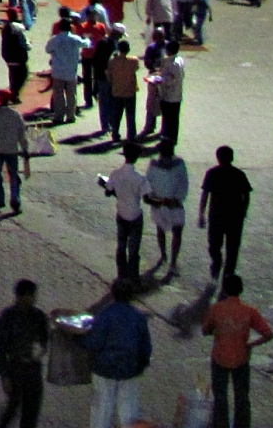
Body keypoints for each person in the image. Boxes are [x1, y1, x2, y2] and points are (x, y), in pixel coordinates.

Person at [203, 272, 272, 428]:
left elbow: (205, 330)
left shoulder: (216, 309)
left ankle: (221, 424)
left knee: (220, 396)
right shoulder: (249, 311)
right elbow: (268, 334)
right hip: (241, 357)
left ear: (225, 290)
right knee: (242, 397)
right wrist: (251, 344)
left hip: (220, 356)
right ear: (240, 290)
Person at [80, 278, 151, 428]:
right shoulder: (138, 317)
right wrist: (141, 366)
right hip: (129, 368)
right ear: (131, 296)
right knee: (129, 412)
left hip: (104, 368)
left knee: (101, 411)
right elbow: (145, 347)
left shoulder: (105, 314)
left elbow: (95, 343)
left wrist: (80, 341)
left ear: (112, 294)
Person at [0, 280, 48, 428]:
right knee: (11, 409)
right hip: (15, 369)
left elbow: (44, 339)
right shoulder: (8, 317)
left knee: (31, 412)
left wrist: (40, 349)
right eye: (30, 295)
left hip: (33, 369)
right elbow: (0, 348)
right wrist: (4, 375)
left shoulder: (39, 316)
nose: (33, 299)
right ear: (20, 296)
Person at [199, 144, 252, 279]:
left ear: (217, 158)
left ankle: (217, 263)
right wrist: (244, 210)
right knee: (233, 247)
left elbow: (205, 194)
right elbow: (246, 194)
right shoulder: (239, 174)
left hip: (216, 215)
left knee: (214, 245)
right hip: (235, 216)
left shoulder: (212, 173)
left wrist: (201, 213)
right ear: (232, 157)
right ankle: (229, 272)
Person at [101, 144, 146, 282]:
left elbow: (108, 191)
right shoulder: (140, 178)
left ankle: (122, 275)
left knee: (121, 246)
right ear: (137, 157)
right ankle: (133, 277)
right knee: (134, 249)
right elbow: (147, 197)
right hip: (135, 215)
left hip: (121, 213)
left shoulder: (115, 174)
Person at [143, 141, 188, 276]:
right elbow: (149, 182)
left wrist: (177, 198)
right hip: (161, 202)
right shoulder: (154, 164)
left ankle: (172, 260)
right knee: (162, 230)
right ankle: (164, 255)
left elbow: (183, 183)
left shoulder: (179, 164)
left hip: (173, 203)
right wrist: (152, 198)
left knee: (176, 231)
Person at [0, 89, 28, 214]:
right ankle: (15, 199)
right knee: (13, 175)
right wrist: (25, 149)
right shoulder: (16, 115)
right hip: (12, 150)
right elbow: (22, 135)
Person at [44, 19, 83, 125]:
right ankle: (71, 116)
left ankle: (59, 116)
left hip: (58, 72)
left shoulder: (55, 39)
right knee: (71, 95)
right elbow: (85, 44)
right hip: (71, 71)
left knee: (58, 95)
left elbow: (47, 49)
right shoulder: (75, 39)